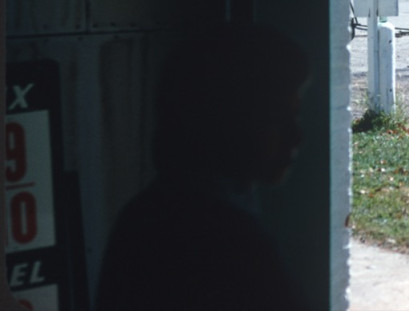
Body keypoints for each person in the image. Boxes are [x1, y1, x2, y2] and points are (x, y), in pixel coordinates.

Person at [96, 22, 312, 311]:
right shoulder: (231, 247)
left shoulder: (146, 215)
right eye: (276, 116)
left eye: (294, 115)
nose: (296, 136)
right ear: (226, 118)